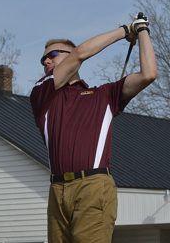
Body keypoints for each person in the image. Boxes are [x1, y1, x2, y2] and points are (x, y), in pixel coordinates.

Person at [30, 14, 157, 243]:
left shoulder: (104, 95)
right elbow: (80, 53)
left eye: (53, 55)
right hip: (57, 189)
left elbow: (148, 74)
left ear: (71, 57)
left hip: (93, 185)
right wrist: (125, 30)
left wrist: (141, 31)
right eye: (43, 59)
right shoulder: (42, 94)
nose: (46, 61)